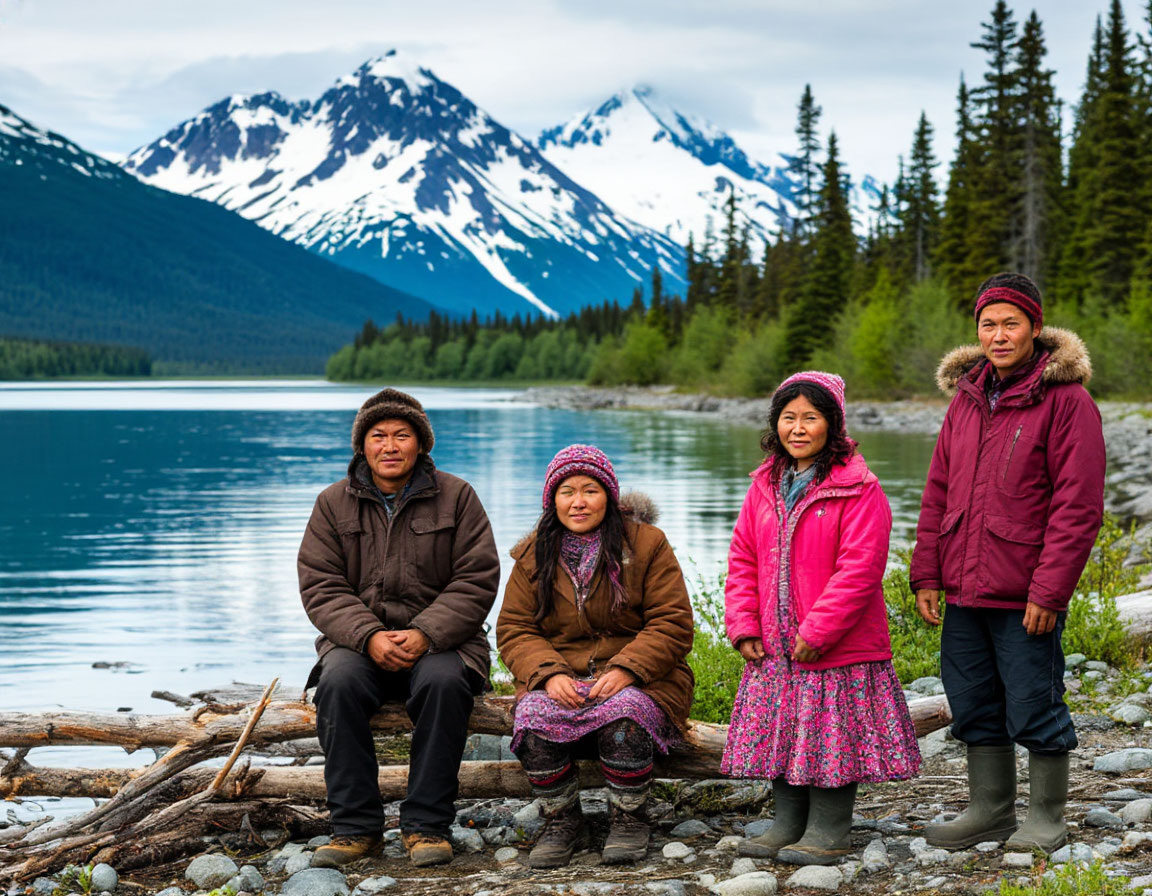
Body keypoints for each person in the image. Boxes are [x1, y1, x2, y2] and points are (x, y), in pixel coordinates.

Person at [911, 272, 1105, 853]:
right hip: (962, 587)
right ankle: (989, 811)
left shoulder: (1067, 402)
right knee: (971, 700)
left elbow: (1078, 506)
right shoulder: (967, 399)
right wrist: (926, 572)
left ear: (1035, 328)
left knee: (1033, 702)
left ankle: (1047, 816)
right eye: (988, 324)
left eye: (1011, 324)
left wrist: (1049, 591)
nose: (998, 335)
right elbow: (937, 490)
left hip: (1025, 591)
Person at [722, 371, 921, 866]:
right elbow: (742, 558)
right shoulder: (764, 485)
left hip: (834, 647)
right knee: (785, 732)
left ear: (833, 424)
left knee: (832, 735)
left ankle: (829, 830)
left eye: (810, 417)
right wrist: (743, 625)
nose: (798, 428)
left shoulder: (859, 487)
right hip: (774, 645)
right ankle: (788, 824)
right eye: (788, 417)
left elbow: (861, 569)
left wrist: (818, 631)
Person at [298, 388, 500, 868]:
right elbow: (321, 583)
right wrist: (368, 636)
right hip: (356, 644)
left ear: (421, 443)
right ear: (362, 445)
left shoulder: (458, 496)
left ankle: (426, 825)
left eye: (402, 435)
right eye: (378, 436)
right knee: (338, 683)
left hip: (444, 643)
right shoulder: (332, 503)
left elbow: (476, 578)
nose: (390, 446)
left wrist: (426, 632)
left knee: (444, 683)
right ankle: (356, 829)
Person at [496, 445, 695, 869]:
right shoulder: (533, 554)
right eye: (567, 491)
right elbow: (515, 629)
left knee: (626, 716)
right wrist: (549, 675)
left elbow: (672, 622)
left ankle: (629, 818)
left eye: (590, 490)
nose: (579, 502)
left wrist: (627, 669)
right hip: (562, 677)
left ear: (609, 495)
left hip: (644, 677)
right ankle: (563, 821)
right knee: (533, 718)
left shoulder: (647, 545)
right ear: (552, 499)